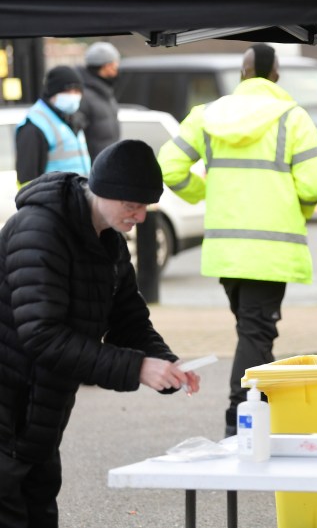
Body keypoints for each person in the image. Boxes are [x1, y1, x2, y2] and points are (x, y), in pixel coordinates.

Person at [0, 140, 201, 528]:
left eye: (146, 206)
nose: (140, 217)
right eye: (132, 206)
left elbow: (128, 317)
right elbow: (41, 335)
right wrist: (137, 368)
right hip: (9, 404)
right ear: (103, 190)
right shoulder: (40, 230)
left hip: (40, 410)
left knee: (39, 507)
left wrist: (163, 361)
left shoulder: (107, 239)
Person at [158, 43, 317, 436]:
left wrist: (203, 193)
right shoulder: (293, 118)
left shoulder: (206, 116)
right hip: (272, 250)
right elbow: (314, 183)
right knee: (256, 331)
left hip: (226, 251)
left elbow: (169, 167)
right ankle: (240, 416)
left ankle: (259, 409)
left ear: (242, 73)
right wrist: (297, 208)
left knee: (252, 330)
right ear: (277, 76)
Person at [15, 65, 90, 186]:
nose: (73, 95)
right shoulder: (35, 125)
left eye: (77, 91)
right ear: (53, 92)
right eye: (68, 91)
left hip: (76, 200)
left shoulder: (73, 119)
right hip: (53, 202)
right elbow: (27, 180)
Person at [78, 41, 121, 162]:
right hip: (93, 172)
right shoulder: (84, 97)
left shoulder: (106, 93)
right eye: (115, 64)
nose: (117, 68)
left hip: (108, 167)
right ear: (107, 66)